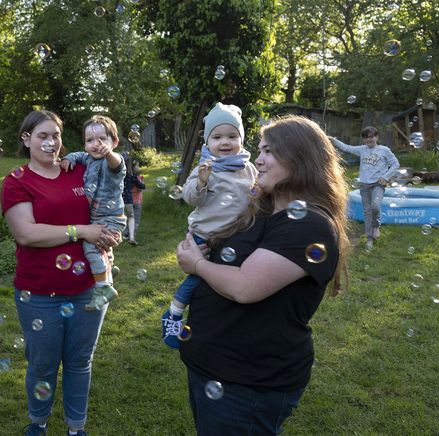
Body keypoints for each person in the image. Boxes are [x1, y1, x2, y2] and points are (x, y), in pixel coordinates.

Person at [175, 115, 350, 435]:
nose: (258, 158)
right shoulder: (263, 211)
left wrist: (197, 265)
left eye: (269, 151)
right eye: (260, 149)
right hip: (212, 366)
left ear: (299, 158)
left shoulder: (308, 224)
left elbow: (244, 286)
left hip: (248, 382)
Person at [1, 110, 120, 436]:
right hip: (39, 292)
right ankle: (38, 423)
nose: (51, 142)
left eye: (55, 135)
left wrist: (109, 232)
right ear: (26, 139)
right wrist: (83, 231)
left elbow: (109, 194)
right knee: (42, 363)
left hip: (88, 288)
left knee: (80, 360)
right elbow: (26, 233)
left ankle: (75, 428)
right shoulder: (17, 181)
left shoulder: (78, 170)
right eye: (42, 135)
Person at [161, 102, 257, 349]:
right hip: (205, 236)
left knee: (223, 279)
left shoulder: (248, 169)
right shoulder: (205, 168)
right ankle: (173, 313)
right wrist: (201, 182)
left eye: (232, 136)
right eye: (217, 137)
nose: (225, 142)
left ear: (241, 140)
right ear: (207, 143)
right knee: (198, 275)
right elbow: (190, 198)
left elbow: (255, 194)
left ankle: (223, 324)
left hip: (234, 237)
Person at [60, 115, 126, 311]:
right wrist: (68, 158)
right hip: (96, 216)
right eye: (90, 140)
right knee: (101, 246)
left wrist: (109, 154)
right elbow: (79, 155)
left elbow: (117, 165)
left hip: (111, 216)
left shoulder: (112, 161)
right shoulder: (88, 157)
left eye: (102, 140)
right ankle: (107, 267)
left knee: (91, 246)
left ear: (114, 142)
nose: (96, 145)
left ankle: (104, 287)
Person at [328, 126, 399, 250]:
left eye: (371, 137)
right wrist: (333, 140)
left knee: (375, 206)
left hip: (378, 185)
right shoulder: (362, 150)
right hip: (365, 186)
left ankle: (376, 226)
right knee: (367, 211)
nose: (368, 140)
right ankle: (369, 238)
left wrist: (386, 177)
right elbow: (346, 147)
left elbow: (395, 164)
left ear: (376, 137)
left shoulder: (384, 150)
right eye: (366, 138)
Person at [122, 156, 146, 246]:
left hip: (118, 200)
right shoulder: (132, 177)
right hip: (128, 200)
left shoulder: (117, 175)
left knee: (118, 218)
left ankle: (119, 236)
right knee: (131, 217)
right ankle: (131, 237)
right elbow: (141, 186)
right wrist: (143, 184)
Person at [130, 160, 145, 241]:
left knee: (129, 218)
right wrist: (142, 182)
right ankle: (133, 234)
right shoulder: (138, 178)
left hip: (128, 202)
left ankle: (126, 233)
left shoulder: (127, 178)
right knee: (136, 219)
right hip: (137, 202)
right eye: (138, 166)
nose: (139, 168)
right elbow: (139, 189)